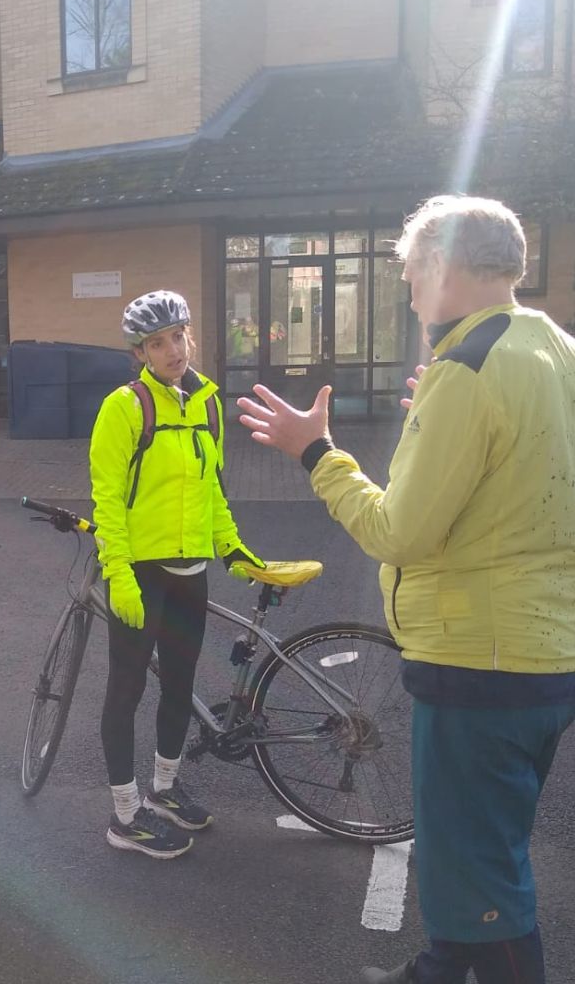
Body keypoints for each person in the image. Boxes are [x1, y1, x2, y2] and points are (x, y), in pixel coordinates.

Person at [236, 197, 575, 984]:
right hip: (545, 655)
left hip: (476, 666)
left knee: (485, 884)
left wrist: (317, 452)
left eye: (414, 274)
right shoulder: (554, 350)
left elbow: (399, 534)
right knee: (482, 854)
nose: (412, 294)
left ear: (450, 267)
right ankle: (439, 967)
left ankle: (467, 965)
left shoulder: (468, 370)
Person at [89, 290, 264, 859]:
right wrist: (118, 573)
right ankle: (124, 815)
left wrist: (230, 545)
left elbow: (211, 486)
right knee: (126, 688)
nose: (172, 351)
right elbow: (107, 500)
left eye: (178, 337)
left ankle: (163, 788)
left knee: (181, 685)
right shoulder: (125, 407)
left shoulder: (207, 404)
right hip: (141, 572)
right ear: (140, 352)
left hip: (191, 570)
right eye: (157, 343)